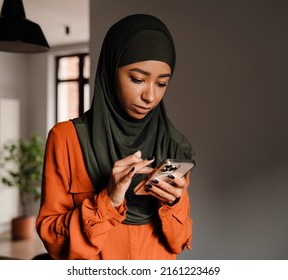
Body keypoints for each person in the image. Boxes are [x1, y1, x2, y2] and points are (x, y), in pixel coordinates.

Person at [36, 13, 195, 260]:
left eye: (162, 83)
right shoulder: (66, 139)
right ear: (111, 72)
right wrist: (109, 201)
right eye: (138, 79)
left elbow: (177, 241)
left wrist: (173, 203)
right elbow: (53, 240)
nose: (150, 96)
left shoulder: (174, 145)